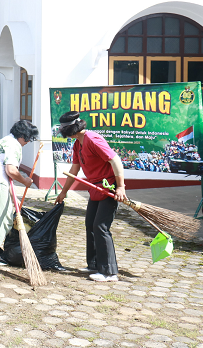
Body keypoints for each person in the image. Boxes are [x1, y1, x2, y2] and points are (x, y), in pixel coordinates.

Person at [55, 111, 126, 282]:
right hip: (95, 188)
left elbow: (115, 160)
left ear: (71, 129)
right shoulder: (77, 144)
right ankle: (94, 264)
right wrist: (64, 192)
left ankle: (109, 272)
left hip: (109, 187)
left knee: (101, 226)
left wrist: (121, 187)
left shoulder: (93, 139)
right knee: (90, 224)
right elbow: (74, 170)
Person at [0, 120, 37, 266]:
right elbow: (11, 171)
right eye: (28, 138)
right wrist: (25, 181)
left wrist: (12, 194)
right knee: (2, 218)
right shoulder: (14, 145)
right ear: (22, 135)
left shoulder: (3, 141)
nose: (28, 142)